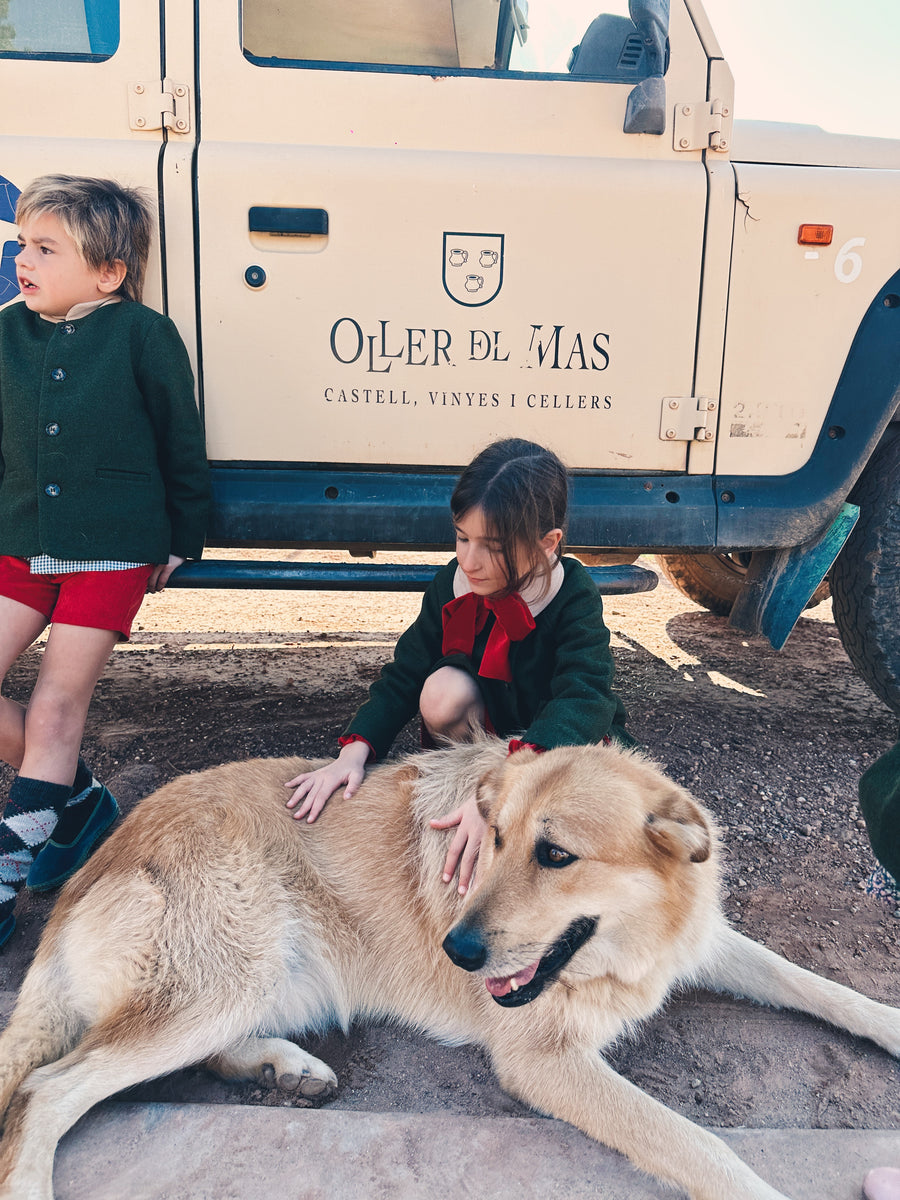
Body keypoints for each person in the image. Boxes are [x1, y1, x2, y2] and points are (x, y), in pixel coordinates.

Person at [0, 174, 210, 947]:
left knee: (56, 708)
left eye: (45, 248)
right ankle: (79, 801)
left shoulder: (143, 335)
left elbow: (179, 441)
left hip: (111, 550)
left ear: (108, 272)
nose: (24, 258)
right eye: (23, 243)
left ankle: (7, 875)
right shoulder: (5, 332)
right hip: (18, 543)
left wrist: (183, 534)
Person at [285, 437, 631, 893]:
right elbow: (405, 674)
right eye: (462, 537)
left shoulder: (573, 594)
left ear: (547, 545)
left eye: (492, 546)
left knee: (565, 818)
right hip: (484, 737)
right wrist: (353, 753)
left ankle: (496, 813)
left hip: (555, 746)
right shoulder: (454, 582)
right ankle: (464, 796)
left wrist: (505, 787)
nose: (469, 560)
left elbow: (584, 694)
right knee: (441, 689)